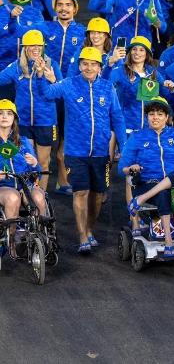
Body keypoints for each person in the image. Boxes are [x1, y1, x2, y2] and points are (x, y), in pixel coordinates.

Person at [39, 47, 126, 254]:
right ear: (79, 65)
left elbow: (118, 117)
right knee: (80, 192)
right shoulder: (69, 84)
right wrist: (45, 76)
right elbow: (48, 94)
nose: (89, 67)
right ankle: (82, 237)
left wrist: (124, 145)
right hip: (75, 152)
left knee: (97, 195)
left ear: (99, 67)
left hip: (101, 153)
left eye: (93, 64)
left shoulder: (107, 88)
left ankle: (89, 230)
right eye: (85, 63)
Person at [120, 96, 174, 255]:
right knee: (163, 193)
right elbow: (122, 167)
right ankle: (168, 241)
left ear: (167, 117)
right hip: (147, 183)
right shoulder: (137, 137)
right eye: (152, 114)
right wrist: (131, 168)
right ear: (147, 116)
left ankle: (139, 201)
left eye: (160, 114)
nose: (155, 117)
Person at [0, 29, 61, 191]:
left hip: (46, 122)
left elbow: (62, 92)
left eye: (38, 46)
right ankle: (27, 197)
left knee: (42, 162)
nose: (35, 49)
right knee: (25, 161)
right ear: (24, 47)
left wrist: (52, 79)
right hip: (23, 123)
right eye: (31, 45)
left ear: (43, 47)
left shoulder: (51, 64)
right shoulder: (16, 67)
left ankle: (41, 195)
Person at [0, 99, 47, 259]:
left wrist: (35, 165)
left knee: (39, 197)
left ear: (14, 118)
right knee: (13, 197)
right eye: (0, 113)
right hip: (3, 186)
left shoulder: (24, 142)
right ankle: (11, 242)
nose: (4, 117)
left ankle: (41, 239)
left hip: (24, 184)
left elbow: (38, 172)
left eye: (8, 113)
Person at [43, 0, 86, 78]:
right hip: (48, 80)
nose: (63, 8)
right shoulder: (45, 27)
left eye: (68, 5)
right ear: (55, 7)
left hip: (71, 83)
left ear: (75, 8)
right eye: (60, 5)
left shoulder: (83, 32)